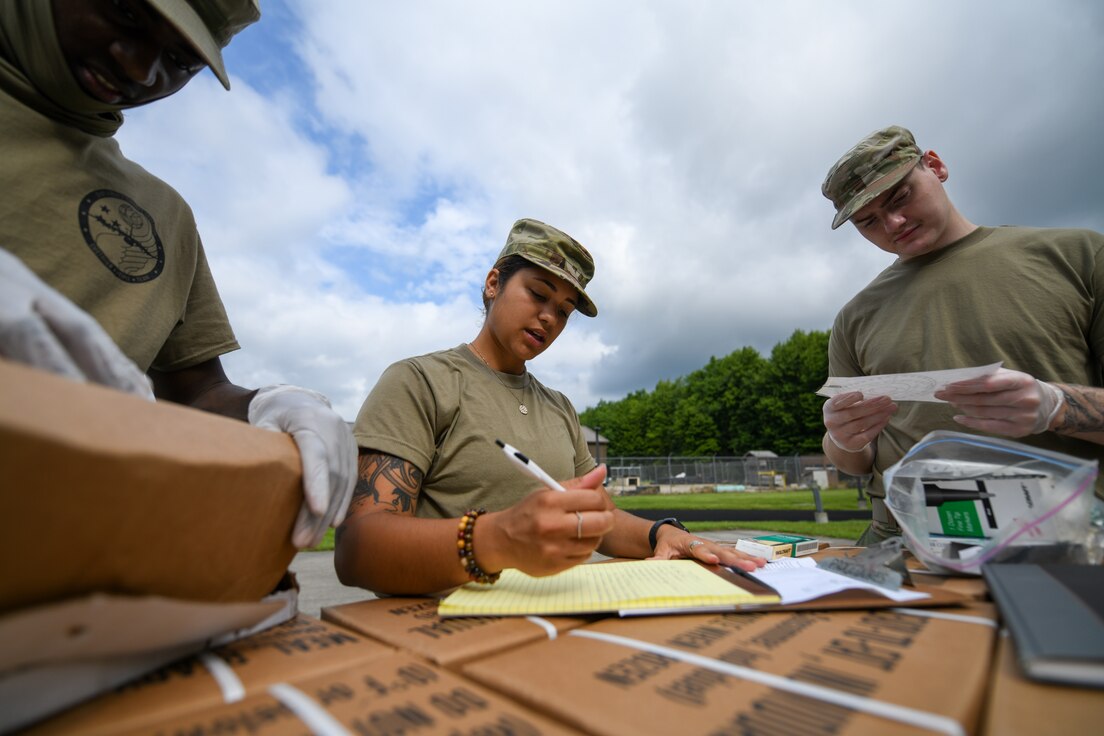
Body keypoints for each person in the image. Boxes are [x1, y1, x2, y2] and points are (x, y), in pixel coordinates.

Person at [0, 0, 355, 547]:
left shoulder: (162, 215)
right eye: (125, 13)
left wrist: (268, 405)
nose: (140, 69)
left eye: (179, 59)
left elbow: (196, 392)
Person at [335, 218, 763, 594]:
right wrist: (498, 538)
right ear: (493, 283)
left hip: (561, 624)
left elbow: (599, 519)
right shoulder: (420, 381)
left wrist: (662, 534)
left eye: (563, 311)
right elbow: (359, 549)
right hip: (442, 632)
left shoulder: (559, 408)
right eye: (538, 294)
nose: (548, 318)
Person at [820, 124, 1104, 544]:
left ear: (935, 166)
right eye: (868, 221)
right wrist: (841, 437)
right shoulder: (855, 317)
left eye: (900, 196)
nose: (893, 223)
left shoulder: (1077, 257)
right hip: (903, 550)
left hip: (1064, 547)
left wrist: (1055, 406)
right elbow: (857, 461)